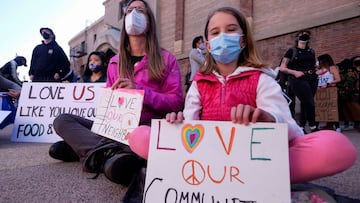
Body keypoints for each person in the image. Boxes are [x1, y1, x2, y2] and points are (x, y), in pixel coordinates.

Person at [128, 7, 357, 186]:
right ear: (207, 44)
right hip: (205, 163)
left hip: (255, 165)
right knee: (140, 135)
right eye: (215, 33)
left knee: (336, 146)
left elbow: (292, 130)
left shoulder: (262, 79)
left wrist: (267, 119)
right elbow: (190, 128)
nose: (223, 37)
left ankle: (261, 181)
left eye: (230, 30)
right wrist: (176, 125)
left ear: (243, 39)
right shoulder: (198, 85)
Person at [48, 0, 183, 196]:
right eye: (129, 11)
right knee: (62, 120)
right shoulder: (114, 62)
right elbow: (110, 107)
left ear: (150, 21)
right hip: (116, 129)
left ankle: (91, 151)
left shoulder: (166, 59)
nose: (134, 14)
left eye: (140, 11)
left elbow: (176, 102)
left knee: (131, 149)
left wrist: (140, 92)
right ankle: (106, 153)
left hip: (146, 129)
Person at [279, 30, 319, 133]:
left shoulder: (311, 51)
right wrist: (295, 72)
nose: (304, 36)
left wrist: (317, 70)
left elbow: (313, 64)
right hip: (298, 79)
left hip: (312, 78)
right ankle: (313, 126)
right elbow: (282, 68)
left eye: (306, 34)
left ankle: (301, 127)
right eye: (301, 34)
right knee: (309, 103)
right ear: (297, 37)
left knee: (305, 104)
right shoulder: (292, 51)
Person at [315, 54, 341, 131]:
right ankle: (316, 126)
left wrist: (328, 84)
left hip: (330, 90)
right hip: (320, 91)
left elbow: (338, 79)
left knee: (332, 109)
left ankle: (337, 127)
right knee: (320, 109)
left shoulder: (332, 68)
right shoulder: (319, 69)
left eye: (319, 61)